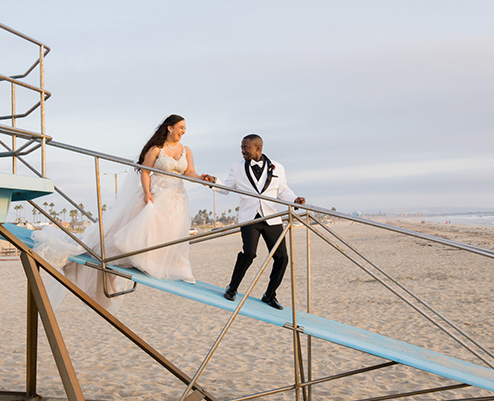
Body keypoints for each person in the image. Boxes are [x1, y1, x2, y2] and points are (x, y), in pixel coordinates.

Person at [32, 114, 206, 312]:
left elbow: (189, 172)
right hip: (156, 193)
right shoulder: (156, 149)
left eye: (185, 128)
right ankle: (144, 261)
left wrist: (201, 177)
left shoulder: (186, 150)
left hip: (176, 196)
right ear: (169, 128)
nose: (184, 131)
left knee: (173, 232)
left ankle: (177, 267)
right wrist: (147, 193)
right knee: (148, 229)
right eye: (181, 127)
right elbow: (145, 171)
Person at [204, 134, 305, 310]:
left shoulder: (278, 167)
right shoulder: (237, 167)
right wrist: (213, 182)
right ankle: (232, 288)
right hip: (249, 218)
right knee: (249, 253)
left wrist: (295, 199)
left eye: (246, 148)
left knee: (282, 258)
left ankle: (269, 295)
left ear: (258, 148)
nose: (242, 151)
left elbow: (283, 190)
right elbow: (227, 188)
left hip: (271, 217)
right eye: (242, 147)